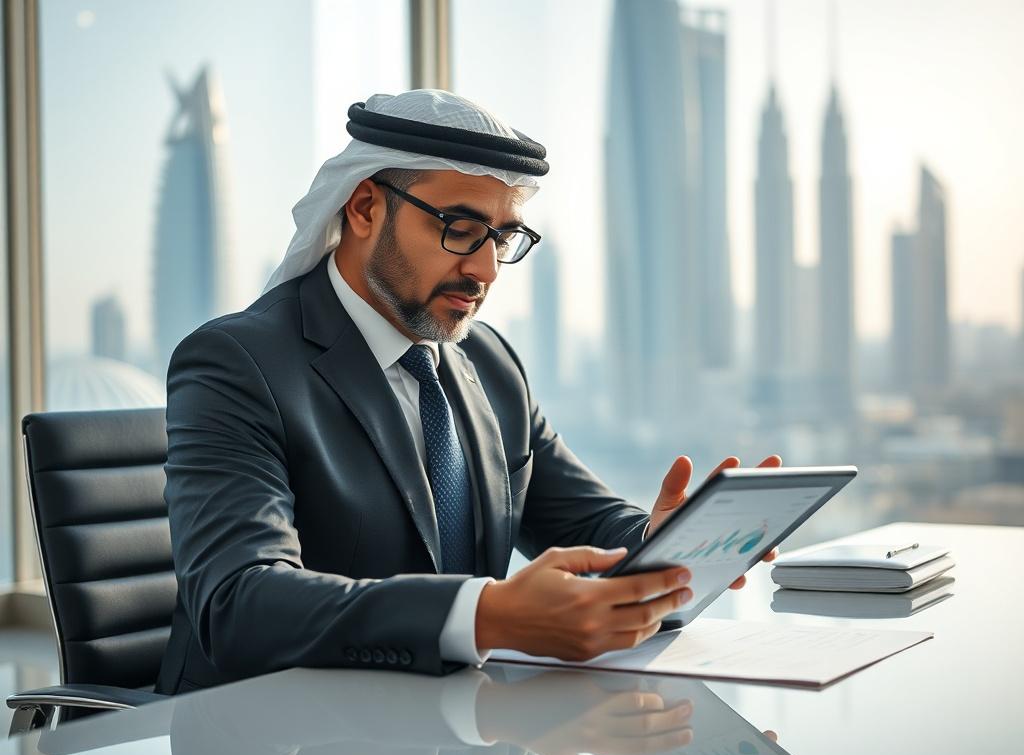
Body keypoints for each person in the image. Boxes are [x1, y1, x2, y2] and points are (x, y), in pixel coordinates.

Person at [155, 90, 779, 694]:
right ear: (366, 208)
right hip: (274, 730)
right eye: (460, 228)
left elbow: (578, 517)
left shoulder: (488, 359)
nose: (483, 270)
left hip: (458, 723)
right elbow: (238, 603)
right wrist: (489, 615)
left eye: (502, 238)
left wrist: (666, 543)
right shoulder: (237, 364)